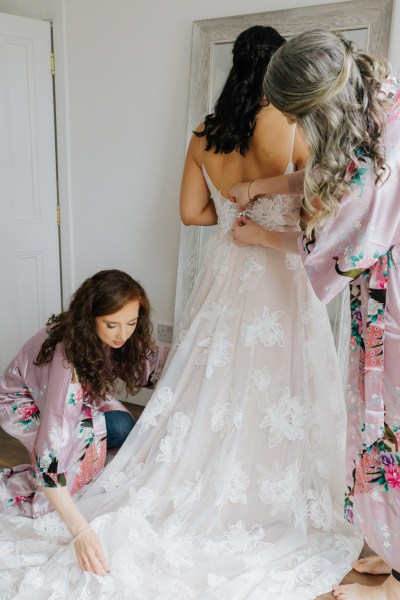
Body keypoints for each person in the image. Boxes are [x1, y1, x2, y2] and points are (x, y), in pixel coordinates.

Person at [0, 27, 361, 600]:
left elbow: (192, 213)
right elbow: (322, 196)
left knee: (218, 384)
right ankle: (271, 497)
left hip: (228, 267)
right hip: (280, 266)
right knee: (282, 388)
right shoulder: (291, 126)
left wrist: (232, 202)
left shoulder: (203, 133)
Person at [230, 28, 400, 600]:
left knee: (391, 424)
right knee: (378, 424)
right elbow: (333, 178)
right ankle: (389, 548)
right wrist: (269, 183)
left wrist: (260, 238)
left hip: (392, 300)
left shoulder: (380, 150)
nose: (296, 130)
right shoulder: (380, 100)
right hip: (382, 296)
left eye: (298, 117)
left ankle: (394, 584)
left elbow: (340, 247)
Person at [0, 269, 167, 576]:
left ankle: (86, 458)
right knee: (82, 448)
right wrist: (80, 530)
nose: (122, 333)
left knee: (122, 428)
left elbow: (152, 362)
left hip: (78, 395)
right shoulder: (66, 358)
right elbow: (52, 443)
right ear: (91, 317)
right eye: (111, 324)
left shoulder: (116, 334)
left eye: (131, 323)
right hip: (26, 402)